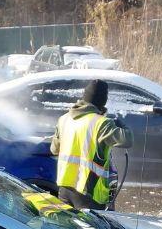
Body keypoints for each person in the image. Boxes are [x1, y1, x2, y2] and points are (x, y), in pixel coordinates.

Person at [50, 79, 133, 210]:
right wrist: (120, 123)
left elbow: (54, 150)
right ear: (102, 101)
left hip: (64, 190)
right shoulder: (101, 123)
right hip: (89, 194)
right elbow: (127, 140)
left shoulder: (64, 119)